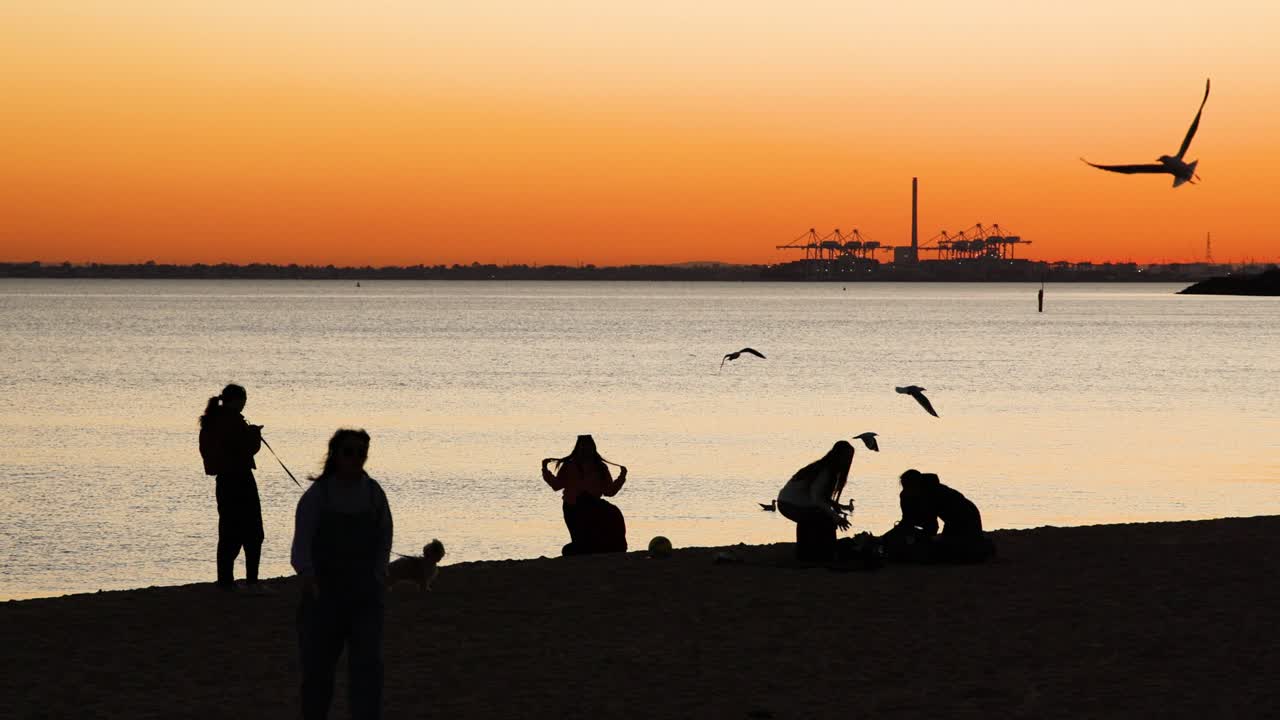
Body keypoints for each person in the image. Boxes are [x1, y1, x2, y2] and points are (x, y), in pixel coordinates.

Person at [292, 429, 393, 720]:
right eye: (349, 452)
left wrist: (378, 573)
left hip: (365, 594)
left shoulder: (374, 493)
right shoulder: (317, 496)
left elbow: (384, 535)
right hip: (324, 595)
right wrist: (309, 577)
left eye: (361, 453)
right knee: (317, 672)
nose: (355, 458)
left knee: (368, 668)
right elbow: (301, 544)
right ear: (335, 454)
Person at [198, 383, 265, 592]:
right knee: (253, 532)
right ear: (237, 400)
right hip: (240, 478)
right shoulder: (232, 421)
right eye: (244, 399)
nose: (245, 404)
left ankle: (225, 581)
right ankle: (251, 582)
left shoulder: (212, 420)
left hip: (224, 481)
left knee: (229, 531)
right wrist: (254, 435)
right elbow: (247, 448)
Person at [880, 469, 995, 564]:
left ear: (917, 485)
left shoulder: (931, 493)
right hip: (952, 521)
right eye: (905, 487)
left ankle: (983, 548)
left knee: (952, 554)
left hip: (966, 517)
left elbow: (931, 528)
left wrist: (915, 536)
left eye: (910, 487)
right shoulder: (909, 495)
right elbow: (907, 520)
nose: (907, 491)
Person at [541, 435, 628, 556]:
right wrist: (545, 470)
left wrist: (622, 477)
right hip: (573, 509)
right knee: (580, 542)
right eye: (582, 448)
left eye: (588, 447)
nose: (585, 451)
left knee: (613, 513)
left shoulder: (600, 467)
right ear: (577, 449)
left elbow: (610, 492)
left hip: (593, 507)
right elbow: (556, 485)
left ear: (593, 449)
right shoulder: (569, 465)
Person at [776, 441, 855, 562]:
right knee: (824, 519)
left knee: (820, 518)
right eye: (846, 457)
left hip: (790, 502)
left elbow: (819, 496)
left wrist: (834, 505)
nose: (848, 461)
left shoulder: (824, 468)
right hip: (789, 504)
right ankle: (823, 554)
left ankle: (814, 553)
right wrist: (836, 517)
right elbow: (817, 498)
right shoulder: (825, 471)